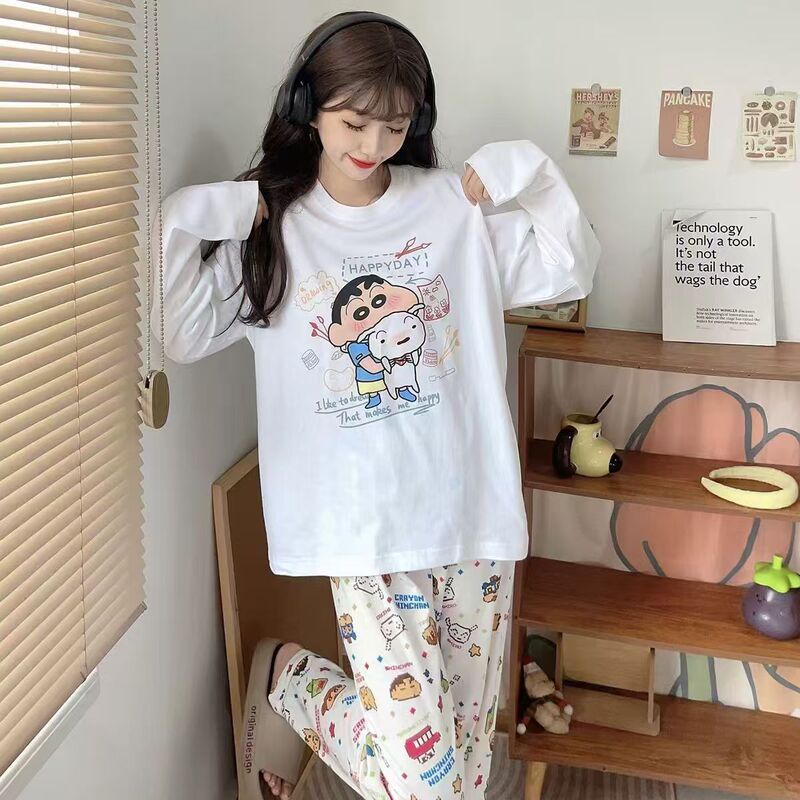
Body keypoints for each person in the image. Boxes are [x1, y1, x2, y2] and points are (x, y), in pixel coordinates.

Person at [153, 11, 600, 800]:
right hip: (362, 530)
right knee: (428, 783)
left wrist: (531, 174)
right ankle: (296, 683)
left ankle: (294, 682)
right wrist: (188, 217)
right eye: (354, 122)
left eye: (394, 126)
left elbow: (570, 268)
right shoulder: (277, 227)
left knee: (465, 770)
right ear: (307, 107)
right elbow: (182, 334)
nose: (373, 145)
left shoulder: (450, 209)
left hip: (471, 516)